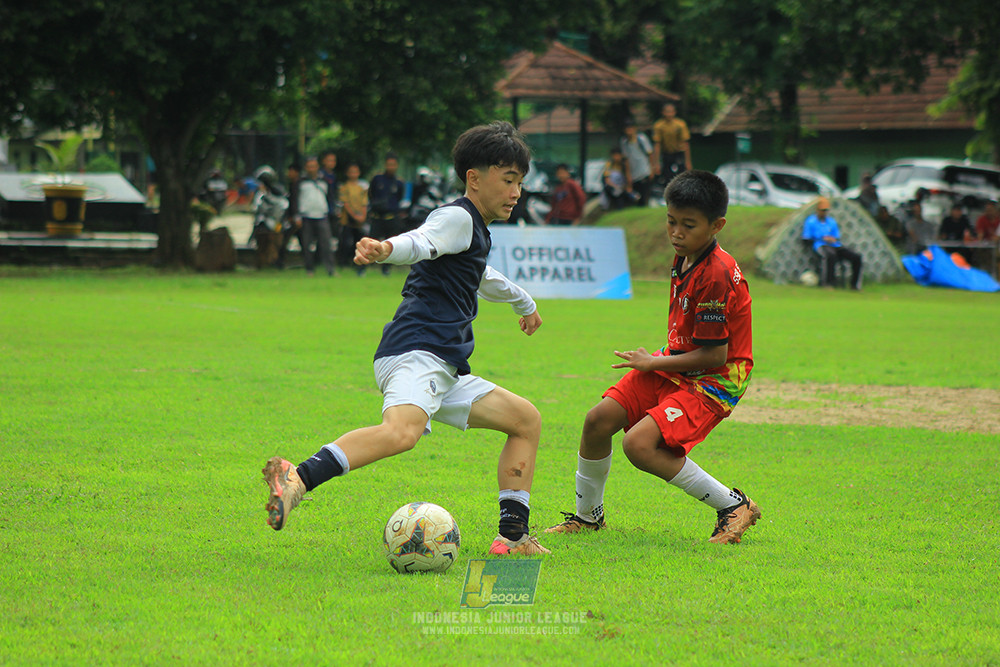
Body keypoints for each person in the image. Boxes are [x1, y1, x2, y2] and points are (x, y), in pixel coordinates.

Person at [262, 121, 550, 556]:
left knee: (525, 420)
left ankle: (513, 539)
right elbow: (422, 241)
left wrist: (523, 302)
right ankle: (297, 478)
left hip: (444, 365)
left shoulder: (475, 229)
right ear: (474, 178)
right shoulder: (456, 217)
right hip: (417, 352)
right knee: (402, 432)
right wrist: (386, 249)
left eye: (520, 183)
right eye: (508, 180)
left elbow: (481, 275)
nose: (516, 193)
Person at [545, 170, 760, 545]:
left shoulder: (716, 274)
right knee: (597, 421)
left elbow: (715, 354)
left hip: (716, 378)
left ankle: (733, 505)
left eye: (688, 225)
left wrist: (652, 363)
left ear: (717, 225)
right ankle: (588, 517)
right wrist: (659, 360)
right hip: (679, 361)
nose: (676, 232)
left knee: (639, 445)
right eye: (671, 221)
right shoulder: (688, 255)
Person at [801, 197, 864, 290]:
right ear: (817, 210)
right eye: (822, 210)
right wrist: (822, 238)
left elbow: (836, 236)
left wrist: (832, 239)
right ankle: (828, 283)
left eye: (826, 210)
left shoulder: (831, 221)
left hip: (834, 244)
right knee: (830, 255)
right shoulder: (811, 221)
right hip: (820, 245)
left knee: (856, 257)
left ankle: (855, 285)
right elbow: (806, 238)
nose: (824, 213)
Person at [368, 153, 407, 276]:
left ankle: (386, 268)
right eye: (389, 164)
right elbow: (371, 194)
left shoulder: (399, 182)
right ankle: (363, 267)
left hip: (391, 217)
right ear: (385, 165)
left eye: (393, 165)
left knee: (390, 243)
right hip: (377, 217)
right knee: (371, 242)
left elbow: (400, 197)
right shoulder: (377, 179)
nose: (391, 167)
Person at [298, 156, 336, 276]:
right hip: (306, 216)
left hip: (322, 216)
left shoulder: (324, 181)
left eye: (313, 166)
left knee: (326, 244)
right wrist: (296, 216)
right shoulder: (301, 182)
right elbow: (295, 199)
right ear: (306, 168)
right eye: (309, 166)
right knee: (307, 244)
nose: (311, 169)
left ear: (317, 167)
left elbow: (330, 197)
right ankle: (310, 269)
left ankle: (330, 269)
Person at [339, 163, 369, 275]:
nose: (353, 174)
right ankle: (345, 263)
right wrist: (355, 216)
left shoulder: (362, 188)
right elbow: (345, 204)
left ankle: (360, 267)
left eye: (355, 171)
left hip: (360, 220)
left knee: (360, 243)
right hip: (348, 220)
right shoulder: (344, 187)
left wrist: (362, 216)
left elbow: (364, 203)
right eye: (351, 172)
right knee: (346, 242)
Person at [651, 103, 691, 188]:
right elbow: (657, 144)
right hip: (666, 154)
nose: (669, 114)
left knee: (681, 177)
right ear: (663, 113)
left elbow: (685, 143)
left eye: (671, 112)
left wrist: (688, 161)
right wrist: (656, 163)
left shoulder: (680, 124)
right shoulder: (659, 126)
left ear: (674, 112)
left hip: (679, 153)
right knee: (667, 177)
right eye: (667, 112)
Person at [620, 118, 654, 207]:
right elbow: (626, 160)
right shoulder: (624, 142)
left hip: (644, 171)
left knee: (644, 196)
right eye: (627, 128)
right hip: (634, 174)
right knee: (636, 198)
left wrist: (652, 169)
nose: (629, 131)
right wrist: (628, 176)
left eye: (630, 128)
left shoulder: (641, 139)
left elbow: (650, 154)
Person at [277, 163, 303, 270]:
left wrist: (295, 216)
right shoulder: (292, 184)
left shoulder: (298, 185)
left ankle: (280, 261)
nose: (289, 174)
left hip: (297, 218)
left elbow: (296, 202)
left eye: (291, 171)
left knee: (287, 240)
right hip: (293, 218)